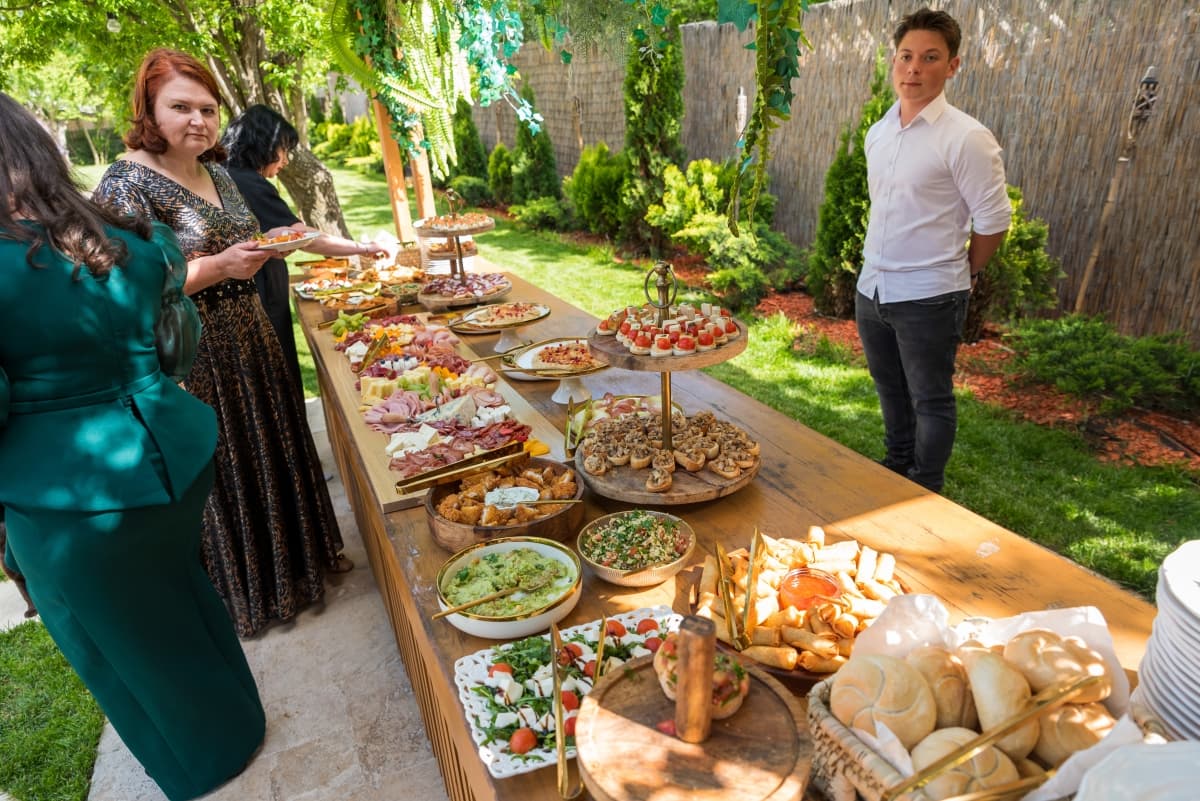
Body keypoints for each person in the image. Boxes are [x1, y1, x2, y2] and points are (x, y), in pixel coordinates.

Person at [0, 91, 264, 800]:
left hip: (67, 493)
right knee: (183, 593)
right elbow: (178, 342)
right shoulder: (118, 232)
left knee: (114, 641)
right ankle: (240, 722)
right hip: (170, 452)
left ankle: (202, 762)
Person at [94, 49, 351, 638]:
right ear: (148, 110)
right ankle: (257, 595)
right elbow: (127, 289)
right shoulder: (123, 185)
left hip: (253, 334)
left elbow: (250, 241)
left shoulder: (217, 172)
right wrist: (216, 268)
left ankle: (302, 572)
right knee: (230, 467)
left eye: (208, 109)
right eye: (179, 107)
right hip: (197, 355)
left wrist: (266, 251)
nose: (198, 121)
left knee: (275, 450)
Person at [855, 7, 1011, 493]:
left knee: (931, 400)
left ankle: (924, 488)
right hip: (872, 288)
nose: (914, 69)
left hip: (929, 294)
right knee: (890, 392)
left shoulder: (966, 138)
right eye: (906, 56)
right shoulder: (879, 132)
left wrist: (962, 274)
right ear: (893, 60)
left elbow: (994, 220)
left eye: (929, 57)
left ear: (952, 66)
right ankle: (896, 465)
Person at [221, 104, 388, 393]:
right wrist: (364, 247)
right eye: (284, 149)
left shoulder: (224, 175)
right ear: (266, 144)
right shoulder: (247, 182)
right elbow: (306, 237)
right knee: (277, 382)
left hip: (242, 302)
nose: (285, 160)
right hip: (259, 301)